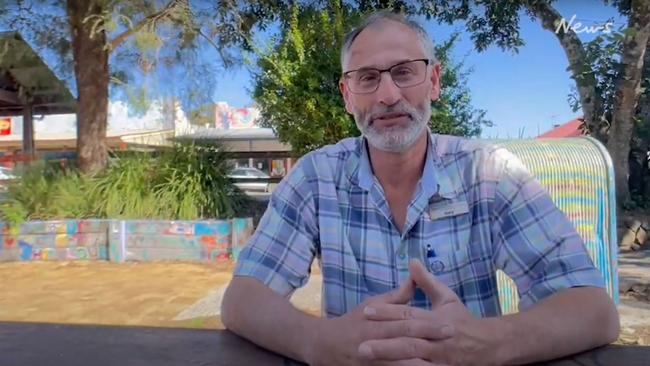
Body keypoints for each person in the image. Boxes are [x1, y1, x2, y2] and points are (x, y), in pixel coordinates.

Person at [221, 11, 620, 366]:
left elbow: (593, 311)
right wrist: (319, 343)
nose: (388, 95)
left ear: (434, 81)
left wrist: (484, 344)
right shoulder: (315, 179)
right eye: (367, 78)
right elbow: (242, 300)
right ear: (347, 96)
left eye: (404, 72)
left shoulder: (490, 174)